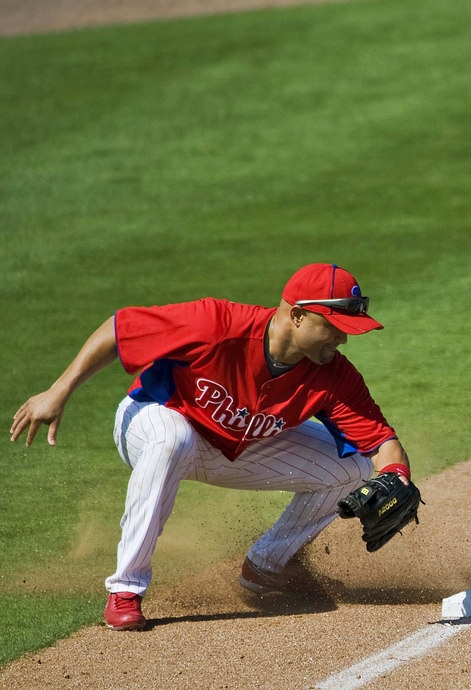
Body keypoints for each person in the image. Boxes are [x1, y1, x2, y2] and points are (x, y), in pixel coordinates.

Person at [10, 263, 414, 631]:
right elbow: (119, 329)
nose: (343, 338)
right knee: (173, 440)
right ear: (297, 315)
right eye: (335, 326)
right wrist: (59, 390)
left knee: (353, 468)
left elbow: (381, 442)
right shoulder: (217, 323)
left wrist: (397, 475)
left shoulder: (334, 375)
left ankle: (266, 565)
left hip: (235, 445)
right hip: (155, 418)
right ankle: (125, 588)